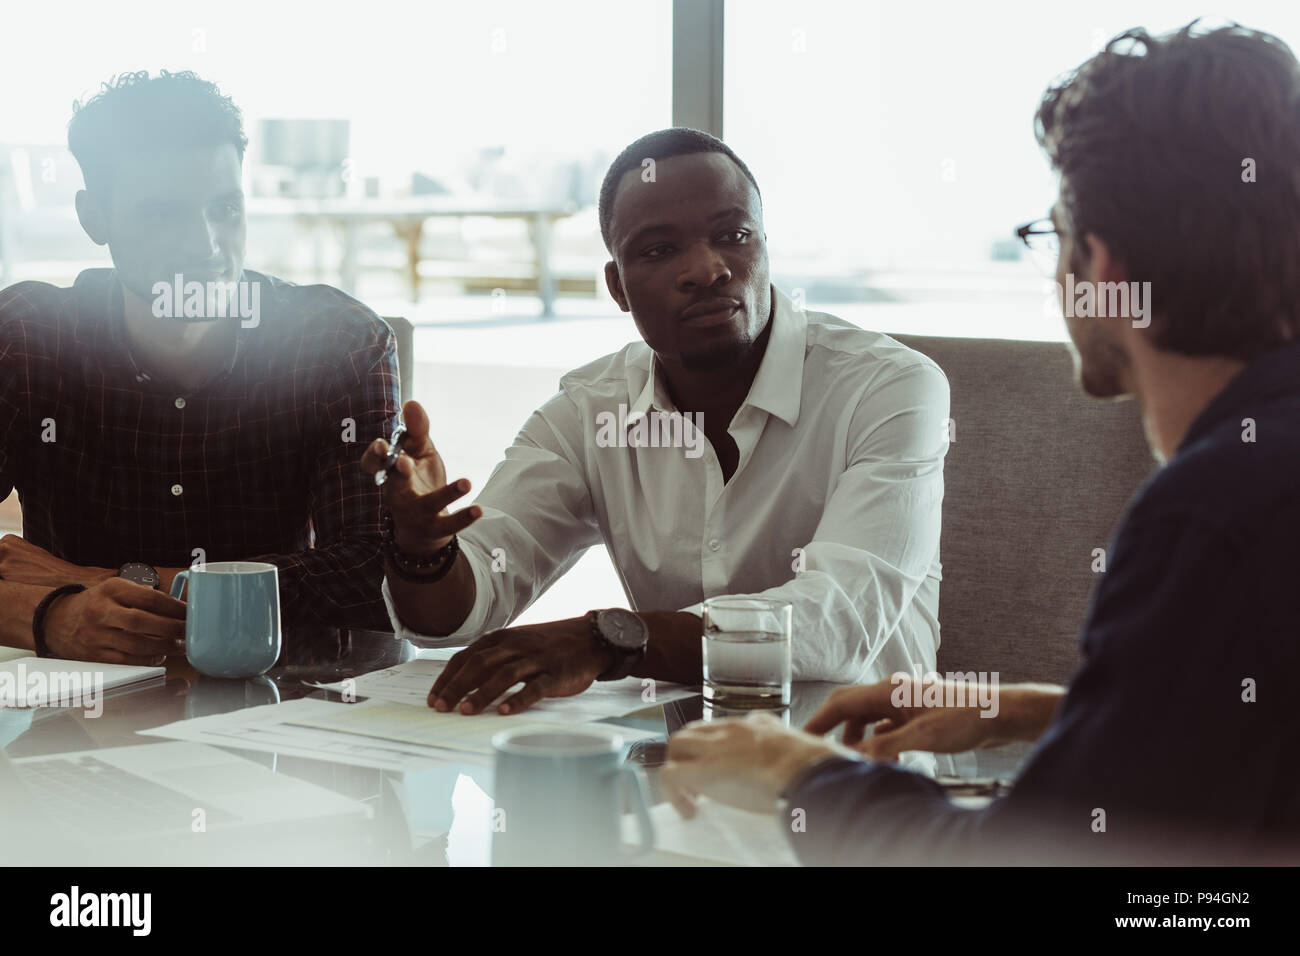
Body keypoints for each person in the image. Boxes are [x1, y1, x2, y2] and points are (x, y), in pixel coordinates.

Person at [660, 22, 1300, 864]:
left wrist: (798, 776)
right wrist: (1052, 714)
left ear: (1099, 264)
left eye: (1055, 233)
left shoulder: (1210, 514)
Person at [365, 128, 950, 724]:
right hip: (680, 775)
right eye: (657, 250)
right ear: (617, 286)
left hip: (866, 777)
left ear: (766, 246)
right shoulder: (590, 412)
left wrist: (611, 639)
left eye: (733, 236)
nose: (706, 268)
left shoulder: (889, 387)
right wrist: (424, 553)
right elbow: (464, 608)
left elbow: (841, 620)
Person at [0, 71, 399, 664]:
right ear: (94, 218)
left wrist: (97, 579)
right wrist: (49, 616)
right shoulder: (31, 336)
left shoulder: (334, 342)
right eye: (162, 214)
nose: (206, 245)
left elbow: (372, 576)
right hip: (81, 708)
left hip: (280, 708)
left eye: (225, 208)